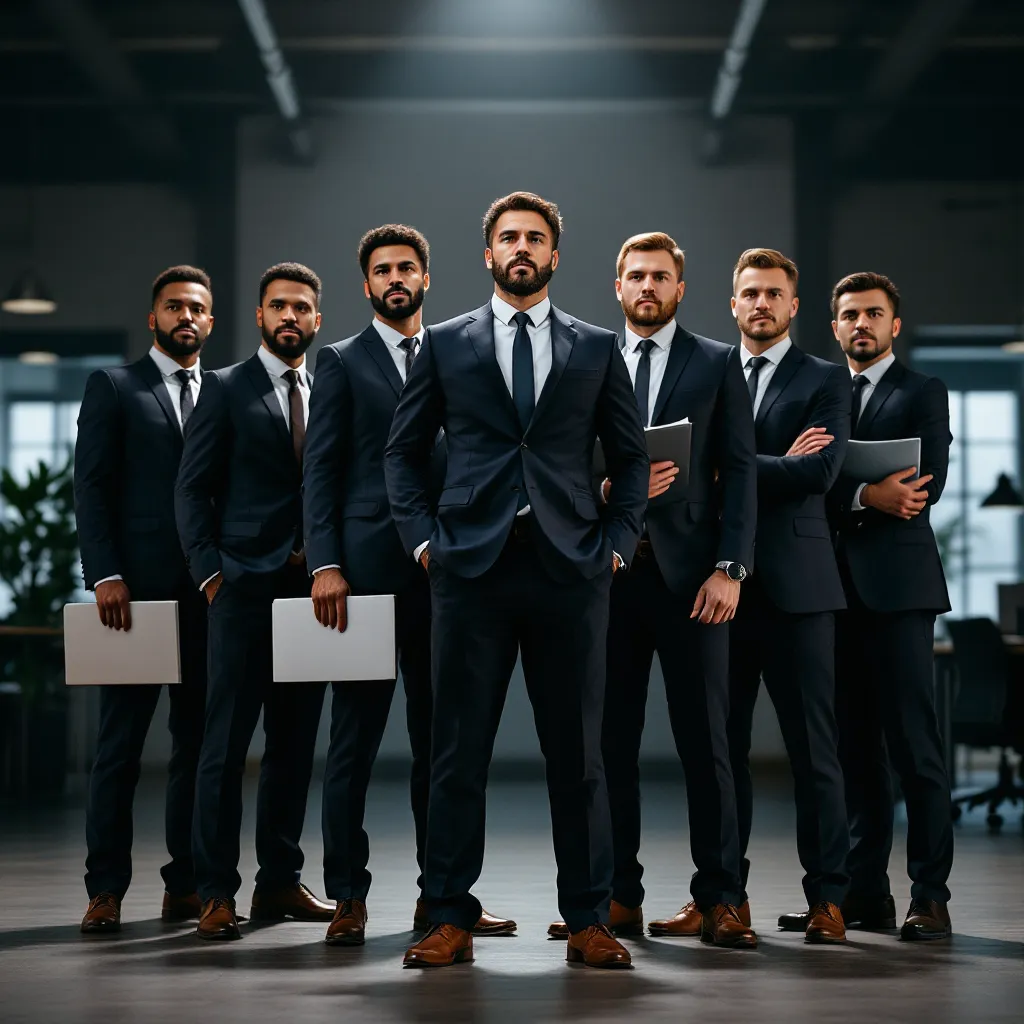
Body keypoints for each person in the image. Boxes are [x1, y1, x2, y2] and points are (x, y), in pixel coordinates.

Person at [385, 192, 649, 969]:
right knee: (456, 753)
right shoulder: (444, 342)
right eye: (509, 238)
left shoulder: (598, 347)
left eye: (536, 238)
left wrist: (619, 544)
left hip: (572, 571)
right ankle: (445, 916)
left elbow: (630, 459)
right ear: (489, 254)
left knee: (581, 756)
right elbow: (401, 453)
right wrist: (424, 543)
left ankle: (590, 917)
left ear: (556, 256)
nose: (522, 247)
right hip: (468, 570)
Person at [303, 224, 514, 944]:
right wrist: (325, 563)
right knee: (354, 743)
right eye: (383, 270)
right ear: (366, 286)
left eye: (407, 268)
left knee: (442, 743)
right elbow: (321, 471)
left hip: (445, 574)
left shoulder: (460, 354)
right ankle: (349, 899)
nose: (396, 278)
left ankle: (444, 897)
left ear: (427, 278)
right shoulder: (339, 363)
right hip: (359, 577)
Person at [551, 232, 759, 949]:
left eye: (661, 277)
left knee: (710, 744)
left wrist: (731, 569)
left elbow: (741, 474)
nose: (648, 287)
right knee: (608, 747)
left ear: (680, 287)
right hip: (608, 579)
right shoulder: (585, 356)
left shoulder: (717, 362)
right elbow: (562, 467)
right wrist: (605, 490)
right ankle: (618, 897)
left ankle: (723, 899)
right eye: (636, 276)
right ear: (617, 287)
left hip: (695, 583)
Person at [779, 271, 954, 941]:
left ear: (894, 324)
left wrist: (860, 494)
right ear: (833, 324)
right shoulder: (823, 390)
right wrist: (861, 496)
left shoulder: (921, 392)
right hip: (829, 590)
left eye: (874, 313)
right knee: (852, 750)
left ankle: (929, 896)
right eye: (849, 314)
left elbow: (924, 483)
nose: (861, 324)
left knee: (915, 747)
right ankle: (863, 894)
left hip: (899, 592)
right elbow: (803, 482)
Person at [175, 262, 333, 940]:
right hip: (240, 591)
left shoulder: (328, 389)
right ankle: (214, 891)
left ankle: (279, 884)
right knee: (225, 745)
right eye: (278, 307)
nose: (290, 317)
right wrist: (211, 574)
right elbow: (191, 488)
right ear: (261, 316)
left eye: (301, 307)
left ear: (317, 319)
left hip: (310, 595)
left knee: (295, 745)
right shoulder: (224, 388)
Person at [75, 266, 214, 933]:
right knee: (119, 750)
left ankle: (184, 884)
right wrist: (103, 573)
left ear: (211, 322)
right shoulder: (114, 386)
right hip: (130, 602)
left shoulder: (220, 391)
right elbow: (92, 487)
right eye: (173, 307)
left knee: (196, 746)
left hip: (208, 597)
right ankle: (105, 889)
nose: (185, 316)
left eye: (196, 308)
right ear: (153, 317)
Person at [725, 248, 851, 943]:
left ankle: (828, 899)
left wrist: (734, 468)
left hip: (802, 592)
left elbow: (824, 471)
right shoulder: (714, 371)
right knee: (723, 753)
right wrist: (779, 463)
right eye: (751, 293)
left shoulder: (825, 379)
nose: (762, 303)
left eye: (774, 293)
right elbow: (700, 470)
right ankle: (725, 897)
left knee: (814, 753)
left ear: (794, 306)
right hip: (724, 590)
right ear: (733, 302)